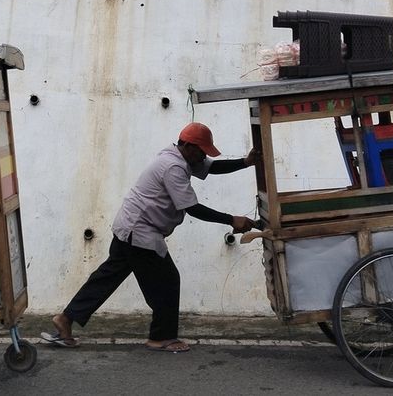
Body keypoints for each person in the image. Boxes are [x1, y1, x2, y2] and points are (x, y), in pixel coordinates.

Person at [43, 122, 258, 353]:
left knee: (106, 279)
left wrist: (246, 162)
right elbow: (192, 207)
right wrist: (230, 219)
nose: (203, 155)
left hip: (129, 226)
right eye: (201, 151)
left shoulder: (183, 157)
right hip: (140, 232)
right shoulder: (173, 167)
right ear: (187, 146)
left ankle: (66, 319)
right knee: (167, 280)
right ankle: (161, 337)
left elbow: (212, 167)